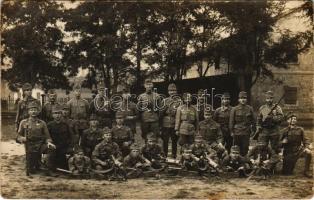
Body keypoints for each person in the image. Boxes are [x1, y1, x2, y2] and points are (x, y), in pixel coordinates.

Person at [16, 101, 56, 175]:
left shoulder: (42, 123)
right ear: (28, 111)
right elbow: (18, 136)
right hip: (30, 146)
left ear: (38, 111)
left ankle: (49, 168)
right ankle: (35, 164)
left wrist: (49, 142)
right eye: (31, 110)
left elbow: (47, 136)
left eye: (35, 110)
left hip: (40, 144)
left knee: (51, 149)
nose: (33, 112)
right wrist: (22, 138)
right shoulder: (24, 122)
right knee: (31, 170)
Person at [229, 91, 255, 156]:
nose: (243, 100)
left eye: (244, 98)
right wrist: (231, 132)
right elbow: (231, 122)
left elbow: (254, 121)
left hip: (246, 132)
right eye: (241, 98)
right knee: (236, 149)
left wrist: (253, 131)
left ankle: (244, 163)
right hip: (237, 132)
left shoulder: (250, 109)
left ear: (246, 99)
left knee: (245, 148)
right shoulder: (234, 109)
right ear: (238, 99)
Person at [160, 83, 181, 158]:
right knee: (165, 141)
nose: (172, 92)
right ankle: (164, 155)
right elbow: (160, 114)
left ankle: (174, 155)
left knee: (174, 141)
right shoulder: (164, 101)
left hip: (174, 123)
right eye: (170, 91)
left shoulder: (180, 101)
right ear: (168, 92)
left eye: (173, 90)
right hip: (165, 124)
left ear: (176, 91)